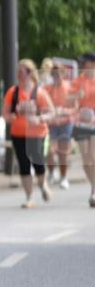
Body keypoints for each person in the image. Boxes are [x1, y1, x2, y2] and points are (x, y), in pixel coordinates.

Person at [2, 59, 55, 208]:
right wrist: (9, 117)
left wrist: (40, 118)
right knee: (24, 165)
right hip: (18, 133)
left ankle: (43, 184)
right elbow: (5, 113)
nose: (19, 74)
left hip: (37, 133)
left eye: (22, 71)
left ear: (30, 73)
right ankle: (29, 197)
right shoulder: (13, 92)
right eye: (17, 71)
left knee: (38, 164)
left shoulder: (39, 92)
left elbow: (51, 112)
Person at [69, 52, 95, 207]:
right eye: (82, 64)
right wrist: (76, 96)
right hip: (82, 122)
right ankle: (93, 185)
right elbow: (68, 99)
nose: (82, 66)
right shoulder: (79, 81)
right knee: (86, 161)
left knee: (93, 156)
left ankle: (94, 191)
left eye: (85, 64)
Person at [45, 64, 74, 189]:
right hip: (51, 123)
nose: (56, 76)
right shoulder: (47, 88)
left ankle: (64, 177)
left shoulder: (69, 87)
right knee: (49, 151)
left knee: (63, 152)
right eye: (54, 74)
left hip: (65, 122)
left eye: (59, 74)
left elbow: (74, 107)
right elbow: (42, 105)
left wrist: (64, 111)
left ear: (63, 74)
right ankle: (52, 173)